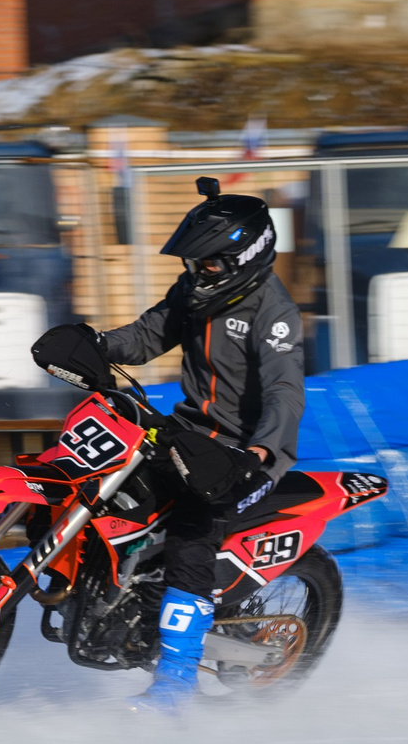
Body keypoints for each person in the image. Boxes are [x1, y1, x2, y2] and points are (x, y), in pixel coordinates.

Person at [91, 177, 305, 708]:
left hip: (241, 456)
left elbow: (284, 389)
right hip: (189, 435)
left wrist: (261, 452)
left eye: (207, 263)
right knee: (107, 483)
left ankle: (176, 681)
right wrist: (93, 344)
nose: (195, 272)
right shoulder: (193, 293)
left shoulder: (273, 313)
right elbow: (145, 336)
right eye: (193, 263)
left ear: (244, 258)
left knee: (192, 534)